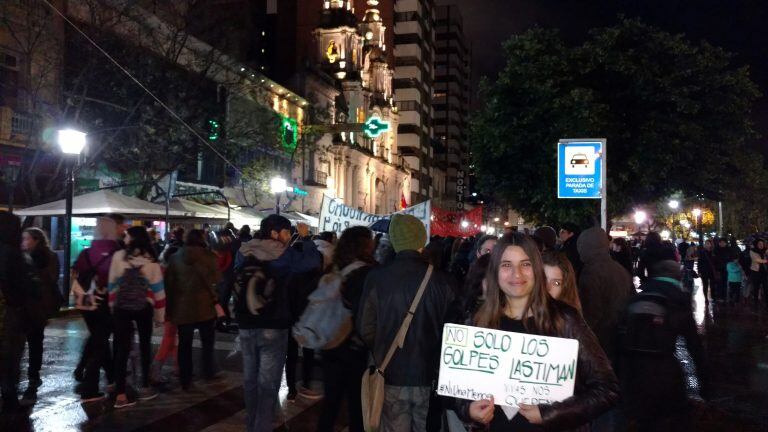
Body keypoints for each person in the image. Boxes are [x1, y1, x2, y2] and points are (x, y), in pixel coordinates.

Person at [462, 232, 619, 430]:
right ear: (494, 271)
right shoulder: (477, 320)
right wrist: (468, 410)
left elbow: (607, 389)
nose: (516, 274)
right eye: (506, 265)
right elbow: (457, 391)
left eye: (525, 264)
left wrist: (549, 413)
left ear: (536, 269)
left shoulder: (564, 319)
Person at [357, 214, 458, 432]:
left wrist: (384, 347)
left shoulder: (377, 277)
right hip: (428, 375)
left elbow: (365, 327)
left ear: (394, 240)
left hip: (391, 373)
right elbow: (452, 333)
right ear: (421, 240)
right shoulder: (443, 281)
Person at [234, 216, 321, 432]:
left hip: (246, 322)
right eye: (285, 232)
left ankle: (251, 425)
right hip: (273, 323)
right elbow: (313, 261)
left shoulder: (243, 251)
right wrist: (306, 238)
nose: (288, 236)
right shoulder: (284, 254)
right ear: (274, 233)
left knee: (250, 380)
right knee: (268, 383)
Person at [618, 243, 709, 431]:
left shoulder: (638, 297)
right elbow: (693, 345)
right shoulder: (678, 300)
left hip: (634, 372)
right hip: (664, 371)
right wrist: (703, 383)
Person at [317, 226, 377, 432]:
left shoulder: (332, 268)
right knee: (358, 406)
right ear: (366, 245)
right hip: (355, 347)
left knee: (330, 404)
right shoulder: (370, 273)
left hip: (330, 344)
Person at [108, 226, 166, 408]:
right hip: (144, 308)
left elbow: (111, 284)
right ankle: (145, 386)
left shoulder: (119, 257)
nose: (124, 238)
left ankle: (121, 394)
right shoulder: (152, 261)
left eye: (127, 236)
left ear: (132, 238)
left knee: (121, 349)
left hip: (121, 307)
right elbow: (159, 293)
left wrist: (113, 306)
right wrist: (159, 317)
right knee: (145, 345)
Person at [71, 216, 122, 402]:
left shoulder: (86, 252)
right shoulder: (117, 251)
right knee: (100, 342)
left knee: (98, 338)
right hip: (106, 301)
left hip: (86, 303)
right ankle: (89, 387)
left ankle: (109, 376)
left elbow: (75, 271)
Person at [164, 229, 221, 390]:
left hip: (182, 309)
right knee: (207, 343)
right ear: (202, 239)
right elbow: (217, 280)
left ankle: (186, 379)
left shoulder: (175, 258)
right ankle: (208, 371)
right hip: (206, 308)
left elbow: (169, 286)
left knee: (184, 344)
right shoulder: (210, 257)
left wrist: (169, 310)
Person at [577, 227, 635, 366]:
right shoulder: (619, 269)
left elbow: (591, 312)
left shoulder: (590, 272)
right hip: (621, 336)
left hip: (601, 338)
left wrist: (582, 339)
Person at [19, 228, 60, 401]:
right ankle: (32, 376)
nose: (23, 242)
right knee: (34, 342)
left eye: (26, 239)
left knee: (31, 342)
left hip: (35, 306)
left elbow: (50, 280)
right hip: (35, 307)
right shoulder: (22, 257)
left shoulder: (42, 258)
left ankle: (32, 376)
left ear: (36, 240)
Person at [0, 212, 33, 413]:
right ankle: (10, 399)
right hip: (9, 313)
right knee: (9, 357)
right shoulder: (13, 254)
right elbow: (25, 287)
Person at [748, 239, 767, 307]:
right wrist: (766, 261)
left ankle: (766, 302)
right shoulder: (752, 251)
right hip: (756, 272)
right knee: (756, 287)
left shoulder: (765, 250)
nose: (761, 245)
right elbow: (756, 260)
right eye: (759, 244)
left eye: (762, 244)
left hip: (765, 272)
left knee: (766, 288)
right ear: (756, 244)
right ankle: (755, 302)